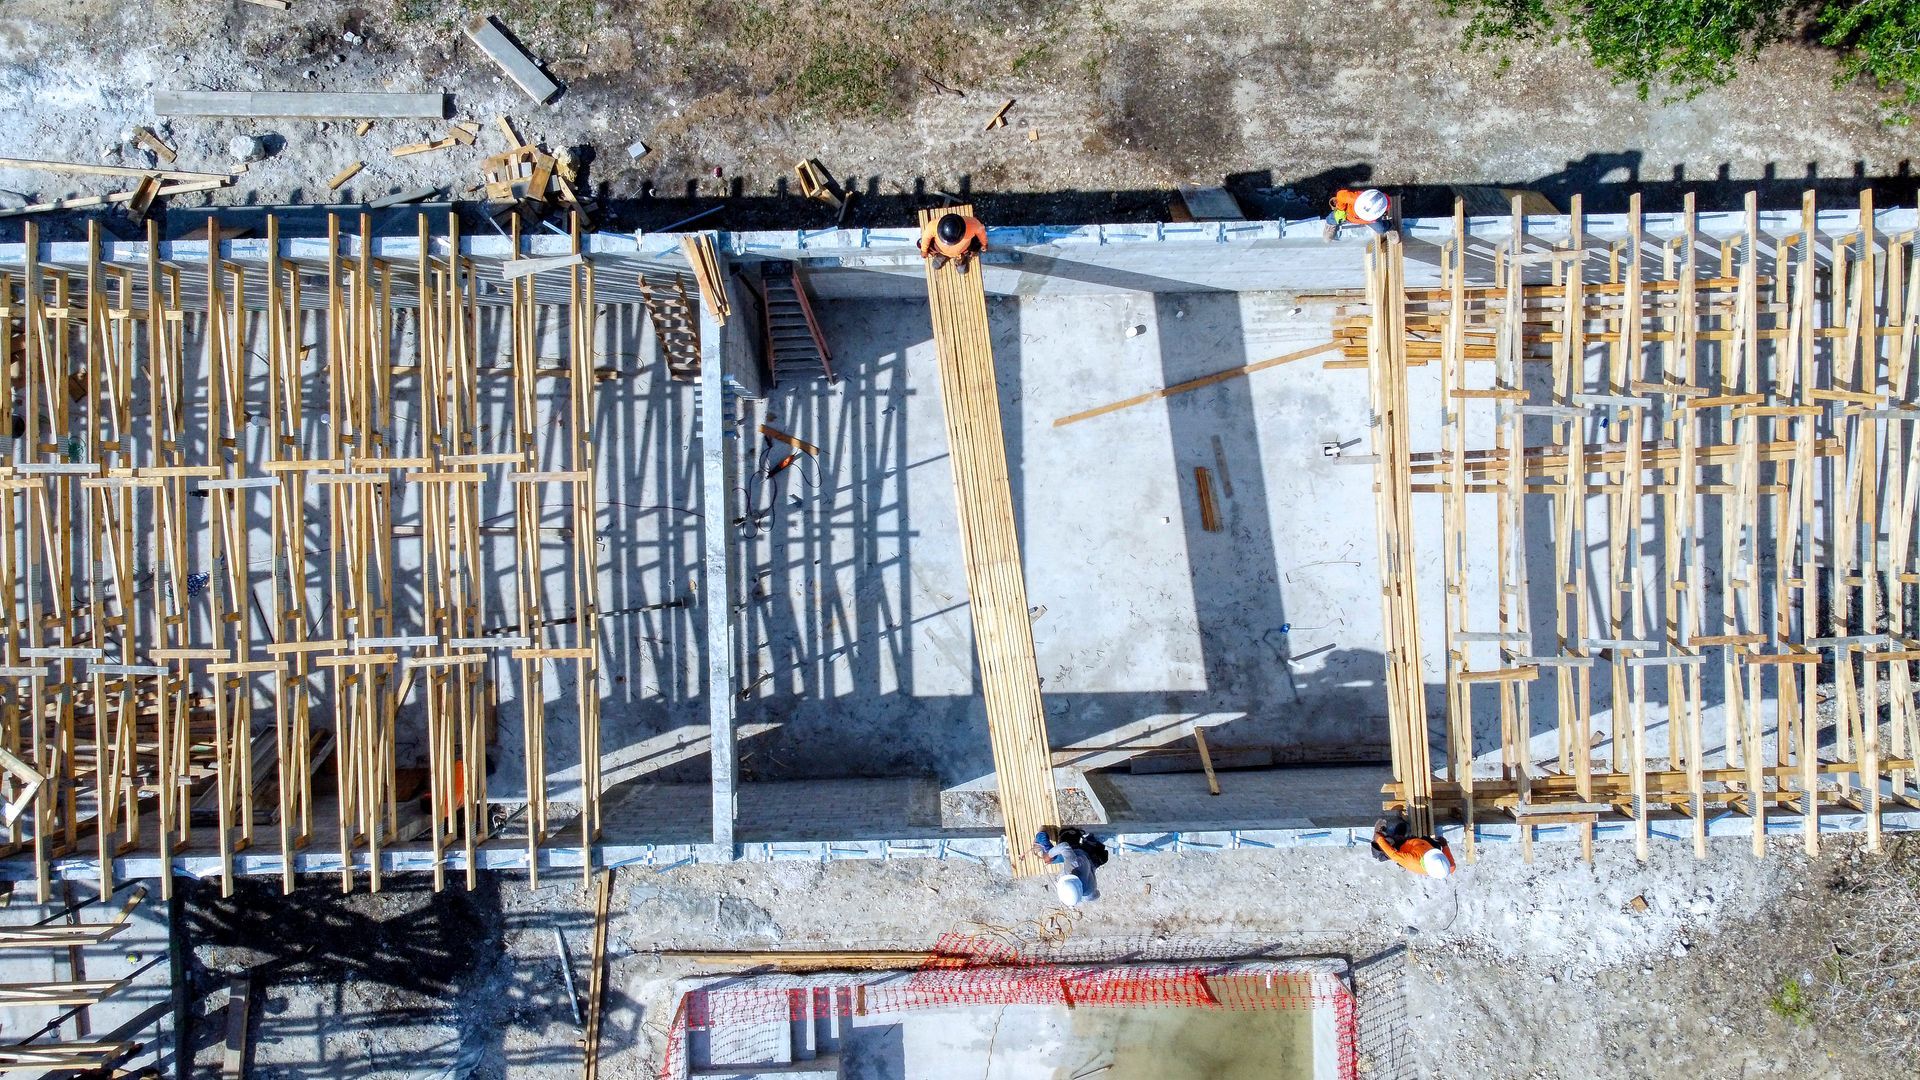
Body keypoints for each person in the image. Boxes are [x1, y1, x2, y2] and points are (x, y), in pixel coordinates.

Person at [1033, 827, 1106, 905]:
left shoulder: (1089, 892)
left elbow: (1096, 895)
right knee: (1049, 857)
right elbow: (1064, 846)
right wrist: (1049, 855)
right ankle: (1041, 835)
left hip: (1090, 863)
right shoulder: (1072, 865)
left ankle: (1090, 841)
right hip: (1077, 852)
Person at [1372, 811, 1455, 879]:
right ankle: (1401, 837)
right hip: (1419, 844)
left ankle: (1379, 847)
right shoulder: (1446, 866)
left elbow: (1393, 854)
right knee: (1402, 827)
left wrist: (1379, 839)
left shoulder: (1411, 860)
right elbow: (1452, 866)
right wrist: (1445, 845)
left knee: (1389, 842)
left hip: (1405, 847)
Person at [918, 212, 988, 273]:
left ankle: (961, 259)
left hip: (962, 251)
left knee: (963, 270)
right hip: (941, 250)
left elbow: (981, 233)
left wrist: (984, 244)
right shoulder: (933, 226)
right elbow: (926, 237)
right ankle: (943, 255)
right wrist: (924, 250)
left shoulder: (973, 224)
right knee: (935, 265)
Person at [1323, 187, 1391, 242]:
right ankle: (1329, 225)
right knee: (1332, 219)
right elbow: (1341, 195)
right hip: (1348, 214)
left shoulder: (1382, 203)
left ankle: (1390, 227)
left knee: (1381, 229)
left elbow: (1385, 204)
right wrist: (1341, 209)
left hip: (1370, 220)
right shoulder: (1353, 198)